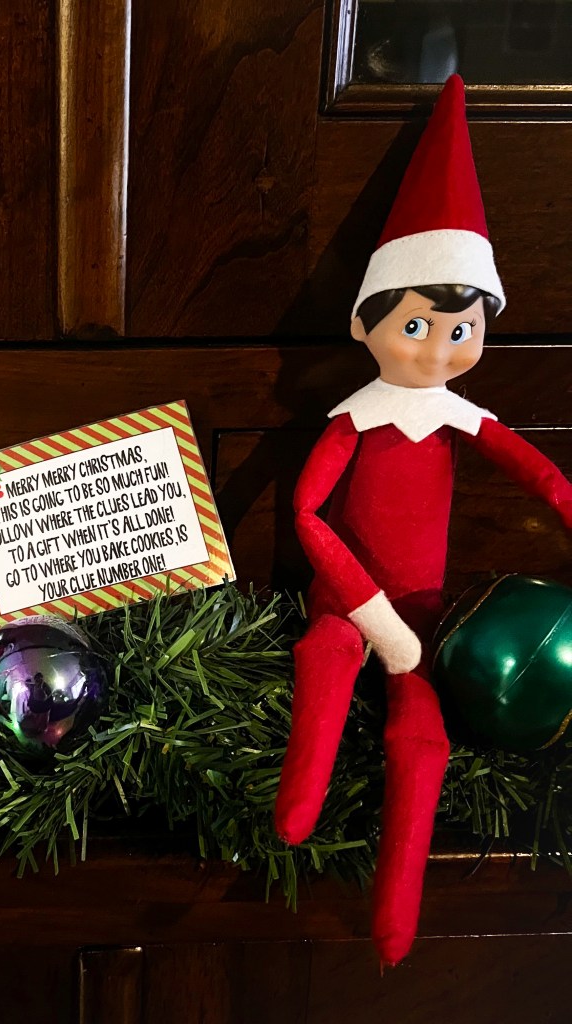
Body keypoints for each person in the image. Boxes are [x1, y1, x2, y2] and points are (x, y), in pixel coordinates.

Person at [274, 75, 572, 966]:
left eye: (461, 331)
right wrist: (370, 614)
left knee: (424, 738)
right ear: (367, 325)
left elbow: (544, 478)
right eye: (416, 327)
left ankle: (397, 914)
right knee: (328, 662)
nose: (440, 349)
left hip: (429, 614)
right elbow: (307, 514)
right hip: (349, 602)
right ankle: (295, 814)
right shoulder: (354, 420)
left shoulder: (459, 417)